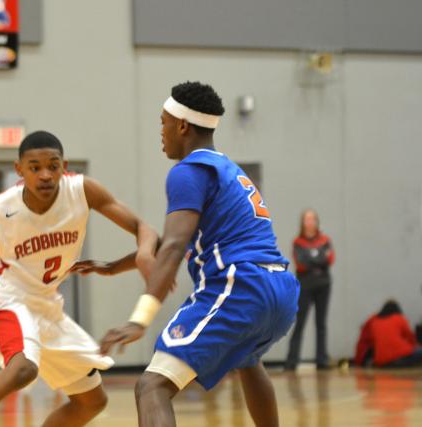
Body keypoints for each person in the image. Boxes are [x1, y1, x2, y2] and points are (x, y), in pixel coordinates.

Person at [97, 82, 300, 427]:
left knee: (151, 386)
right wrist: (116, 266)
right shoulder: (229, 171)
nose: (160, 132)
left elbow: (176, 246)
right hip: (280, 288)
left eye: (162, 122)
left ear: (182, 126)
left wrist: (140, 318)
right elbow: (182, 242)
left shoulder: (188, 171)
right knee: (249, 361)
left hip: (241, 286)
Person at [0, 130, 158, 427]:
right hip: (7, 296)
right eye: (35, 167)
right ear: (19, 170)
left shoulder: (82, 191)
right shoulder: (1, 209)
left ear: (63, 166)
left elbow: (143, 228)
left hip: (47, 304)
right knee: (23, 369)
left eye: (53, 166)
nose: (45, 175)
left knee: (92, 401)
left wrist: (140, 254)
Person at [285, 209, 335, 370]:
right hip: (305, 284)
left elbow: (330, 259)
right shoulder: (297, 242)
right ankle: (292, 361)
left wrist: (312, 259)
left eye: (312, 219)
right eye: (307, 219)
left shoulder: (325, 240)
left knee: (321, 323)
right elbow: (301, 263)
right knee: (300, 322)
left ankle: (322, 360)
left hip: (323, 283)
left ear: (317, 221)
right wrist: (318, 259)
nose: (310, 222)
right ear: (303, 222)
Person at [354, 300, 422, 368]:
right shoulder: (399, 318)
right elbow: (411, 338)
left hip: (380, 361)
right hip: (399, 357)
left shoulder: (375, 321)